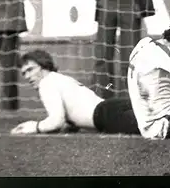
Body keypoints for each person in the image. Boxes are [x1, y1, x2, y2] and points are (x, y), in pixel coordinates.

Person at [10, 50, 140, 135]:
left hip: (107, 116)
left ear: (43, 65)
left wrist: (35, 127)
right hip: (111, 109)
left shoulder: (46, 83)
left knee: (155, 127)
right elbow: (74, 113)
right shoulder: (59, 78)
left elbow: (56, 122)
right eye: (24, 73)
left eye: (30, 69)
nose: (27, 76)